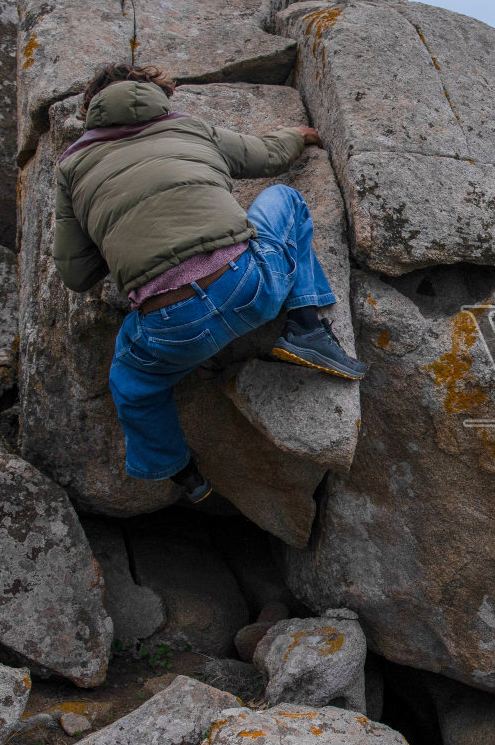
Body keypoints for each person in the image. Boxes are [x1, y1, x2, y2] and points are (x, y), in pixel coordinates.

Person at [52, 63, 365, 505]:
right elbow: (268, 157)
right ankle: (307, 329)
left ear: (91, 109)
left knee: (131, 381)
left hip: (171, 326)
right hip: (249, 287)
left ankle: (182, 473)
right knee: (287, 199)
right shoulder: (190, 128)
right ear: (157, 94)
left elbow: (76, 275)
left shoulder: (72, 166)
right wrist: (297, 135)